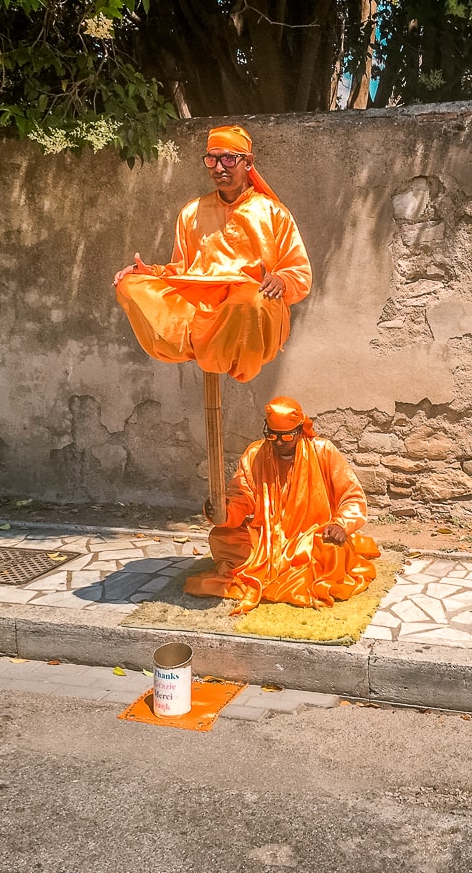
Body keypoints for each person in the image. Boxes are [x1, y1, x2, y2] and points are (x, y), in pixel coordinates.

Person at [113, 125, 312, 383]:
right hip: (199, 303)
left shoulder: (273, 212)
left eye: (228, 159)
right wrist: (152, 272)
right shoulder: (191, 212)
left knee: (251, 300)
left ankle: (215, 344)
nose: (219, 168)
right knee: (129, 285)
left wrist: (281, 280)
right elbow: (182, 269)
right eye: (212, 159)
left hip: (247, 307)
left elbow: (300, 273)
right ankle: (204, 341)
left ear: (248, 162)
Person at [185, 396, 381, 614]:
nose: (278, 442)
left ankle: (290, 572)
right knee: (222, 538)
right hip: (266, 539)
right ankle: (278, 571)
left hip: (310, 536)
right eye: (272, 435)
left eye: (286, 436)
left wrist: (341, 525)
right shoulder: (254, 453)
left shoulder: (323, 450)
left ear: (299, 431)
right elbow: (242, 496)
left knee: (332, 550)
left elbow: (352, 495)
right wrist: (223, 510)